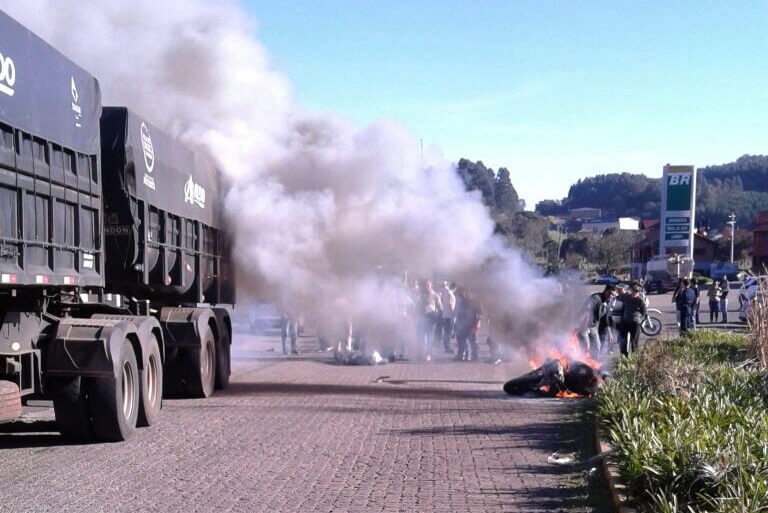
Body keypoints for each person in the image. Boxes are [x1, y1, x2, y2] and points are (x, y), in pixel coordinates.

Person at [577, 285, 616, 360]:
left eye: (613, 295)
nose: (611, 296)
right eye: (610, 293)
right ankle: (580, 364)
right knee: (586, 346)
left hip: (593, 327)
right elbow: (587, 309)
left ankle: (593, 365)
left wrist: (609, 333)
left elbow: (605, 319)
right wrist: (585, 320)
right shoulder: (596, 298)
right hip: (584, 326)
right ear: (605, 291)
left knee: (597, 346)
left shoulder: (607, 303)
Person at [416, 279, 442, 361]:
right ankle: (420, 353)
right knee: (421, 337)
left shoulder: (435, 295)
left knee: (429, 337)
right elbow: (417, 306)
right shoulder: (421, 295)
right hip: (421, 318)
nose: (426, 287)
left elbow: (440, 307)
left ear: (431, 286)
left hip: (431, 318)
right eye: (425, 285)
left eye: (428, 285)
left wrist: (437, 317)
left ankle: (428, 354)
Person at [454, 288, 482, 361]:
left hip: (472, 323)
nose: (466, 294)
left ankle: (475, 356)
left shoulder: (476, 302)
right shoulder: (463, 301)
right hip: (463, 323)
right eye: (465, 292)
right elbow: (459, 312)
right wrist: (457, 323)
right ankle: (461, 355)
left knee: (472, 341)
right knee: (461, 340)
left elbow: (479, 313)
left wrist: (478, 322)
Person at [618, 285, 647, 356]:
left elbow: (644, 312)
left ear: (638, 293)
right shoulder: (626, 297)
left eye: (636, 292)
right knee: (623, 339)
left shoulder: (640, 301)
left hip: (635, 323)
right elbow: (620, 297)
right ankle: (624, 355)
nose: (634, 293)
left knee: (634, 341)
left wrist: (640, 320)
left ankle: (634, 356)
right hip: (625, 321)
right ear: (631, 291)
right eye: (633, 291)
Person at [438, 280, 456, 354]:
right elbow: (451, 306)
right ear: (455, 288)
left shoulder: (445, 292)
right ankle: (447, 347)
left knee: (446, 332)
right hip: (449, 316)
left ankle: (446, 346)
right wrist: (454, 314)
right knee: (448, 333)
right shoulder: (450, 294)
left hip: (445, 314)